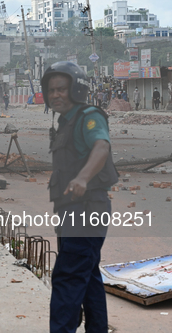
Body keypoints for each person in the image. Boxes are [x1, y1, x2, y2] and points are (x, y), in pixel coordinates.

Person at [41, 61, 118, 333]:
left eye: (61, 89)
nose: (55, 95)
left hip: (86, 211)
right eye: (51, 90)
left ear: (77, 89)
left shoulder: (89, 116)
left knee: (68, 277)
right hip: (73, 211)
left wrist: (83, 177)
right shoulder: (66, 122)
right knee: (88, 277)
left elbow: (101, 146)